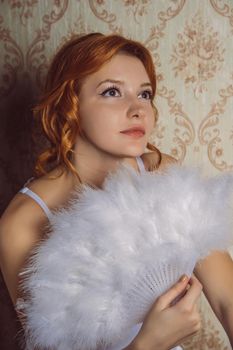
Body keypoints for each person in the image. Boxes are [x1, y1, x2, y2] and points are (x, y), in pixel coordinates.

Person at [0, 32, 232, 350]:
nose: (138, 110)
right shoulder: (23, 222)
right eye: (112, 92)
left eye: (145, 94)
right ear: (70, 105)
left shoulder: (162, 174)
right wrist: (149, 342)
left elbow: (228, 302)